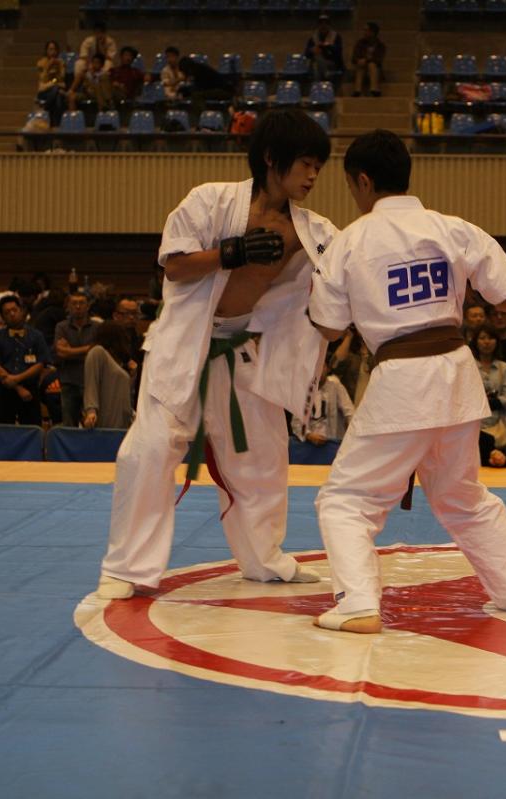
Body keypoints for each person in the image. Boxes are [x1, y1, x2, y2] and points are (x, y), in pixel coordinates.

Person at [308, 129, 506, 634]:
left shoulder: (350, 241)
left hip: (402, 379)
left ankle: (357, 604)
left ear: (363, 181)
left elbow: (328, 328)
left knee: (346, 500)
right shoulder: (453, 228)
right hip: (456, 373)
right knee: (463, 496)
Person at [98, 108, 337, 600]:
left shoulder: (314, 232)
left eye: (319, 166)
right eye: (306, 164)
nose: (313, 176)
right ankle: (126, 568)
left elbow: (348, 274)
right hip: (184, 343)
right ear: (271, 158)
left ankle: (264, 559)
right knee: (151, 449)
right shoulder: (210, 201)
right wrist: (234, 252)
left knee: (262, 456)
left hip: (244, 348)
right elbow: (175, 266)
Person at [0, 295, 51, 425]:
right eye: (7, 312)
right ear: (2, 317)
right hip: (4, 391)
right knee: (1, 431)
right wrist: (17, 387)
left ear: (22, 311)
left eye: (14, 310)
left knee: (32, 431)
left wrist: (17, 379)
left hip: (30, 391)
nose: (12, 314)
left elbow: (41, 363)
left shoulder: (36, 336)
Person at [54, 292, 99, 427]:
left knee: (92, 423)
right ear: (68, 306)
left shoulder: (96, 327)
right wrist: (87, 349)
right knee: (69, 423)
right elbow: (61, 353)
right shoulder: (61, 327)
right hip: (69, 381)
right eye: (74, 303)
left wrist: (70, 351)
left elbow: (97, 351)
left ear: (88, 306)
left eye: (81, 303)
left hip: (91, 381)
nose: (78, 306)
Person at [82, 321, 134, 430]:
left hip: (122, 427)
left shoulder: (119, 364)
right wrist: (91, 410)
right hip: (105, 425)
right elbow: (91, 383)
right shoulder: (97, 352)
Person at [472, 324, 506, 451]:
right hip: (474, 427)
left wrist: (493, 402)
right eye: (482, 338)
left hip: (498, 427)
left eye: (491, 338)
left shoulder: (504, 367)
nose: (487, 342)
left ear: (496, 342)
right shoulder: (469, 366)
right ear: (475, 342)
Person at [292, 359, 354, 446]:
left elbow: (350, 412)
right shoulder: (304, 389)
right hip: (310, 443)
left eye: (321, 366)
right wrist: (309, 435)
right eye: (314, 367)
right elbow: (296, 423)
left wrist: (352, 436)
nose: (318, 370)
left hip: (333, 443)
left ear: (327, 369)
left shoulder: (334, 384)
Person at [305, 13, 344, 87]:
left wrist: (328, 46)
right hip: (318, 64)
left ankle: (317, 88)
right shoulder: (313, 38)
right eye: (321, 24)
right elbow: (306, 53)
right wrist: (312, 50)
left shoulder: (336, 36)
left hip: (332, 63)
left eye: (326, 23)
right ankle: (325, 74)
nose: (323, 26)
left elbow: (339, 53)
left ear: (329, 25)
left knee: (316, 66)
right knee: (316, 62)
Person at [36, 40, 66, 126]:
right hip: (44, 91)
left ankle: (46, 109)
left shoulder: (61, 62)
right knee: (56, 92)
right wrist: (48, 66)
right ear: (46, 51)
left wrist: (58, 66)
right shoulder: (41, 63)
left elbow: (61, 78)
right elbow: (43, 79)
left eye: (54, 49)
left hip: (57, 89)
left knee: (58, 96)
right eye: (50, 49)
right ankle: (56, 123)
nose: (53, 52)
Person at [351, 22, 385, 98]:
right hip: (361, 66)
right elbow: (354, 58)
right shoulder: (360, 43)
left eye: (366, 30)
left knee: (371, 65)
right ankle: (357, 90)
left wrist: (366, 60)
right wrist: (359, 60)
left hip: (374, 68)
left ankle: (374, 89)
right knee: (361, 65)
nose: (364, 32)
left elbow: (379, 59)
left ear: (373, 32)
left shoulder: (380, 45)